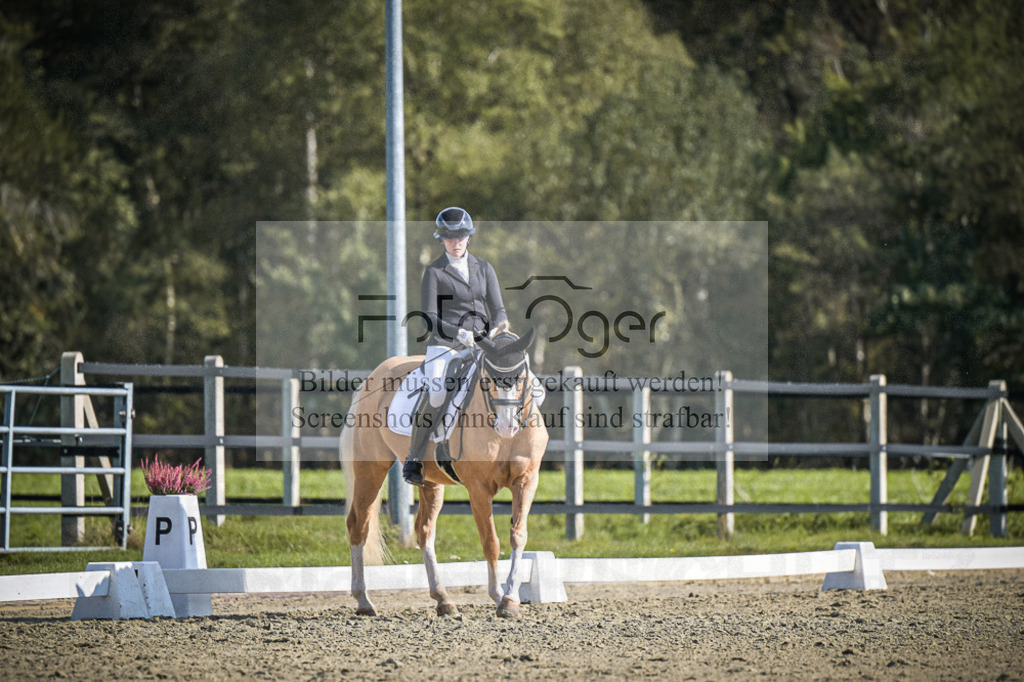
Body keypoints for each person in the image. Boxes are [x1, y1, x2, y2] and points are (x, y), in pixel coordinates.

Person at [403, 207, 509, 486]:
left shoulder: (484, 268)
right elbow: (429, 317)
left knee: (514, 378)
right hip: (446, 345)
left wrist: (499, 326)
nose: (456, 241)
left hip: (482, 345)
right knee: (437, 392)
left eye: (461, 235)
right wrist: (459, 333)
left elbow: (498, 308)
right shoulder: (435, 272)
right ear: (442, 240)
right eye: (450, 237)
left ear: (468, 237)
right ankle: (414, 458)